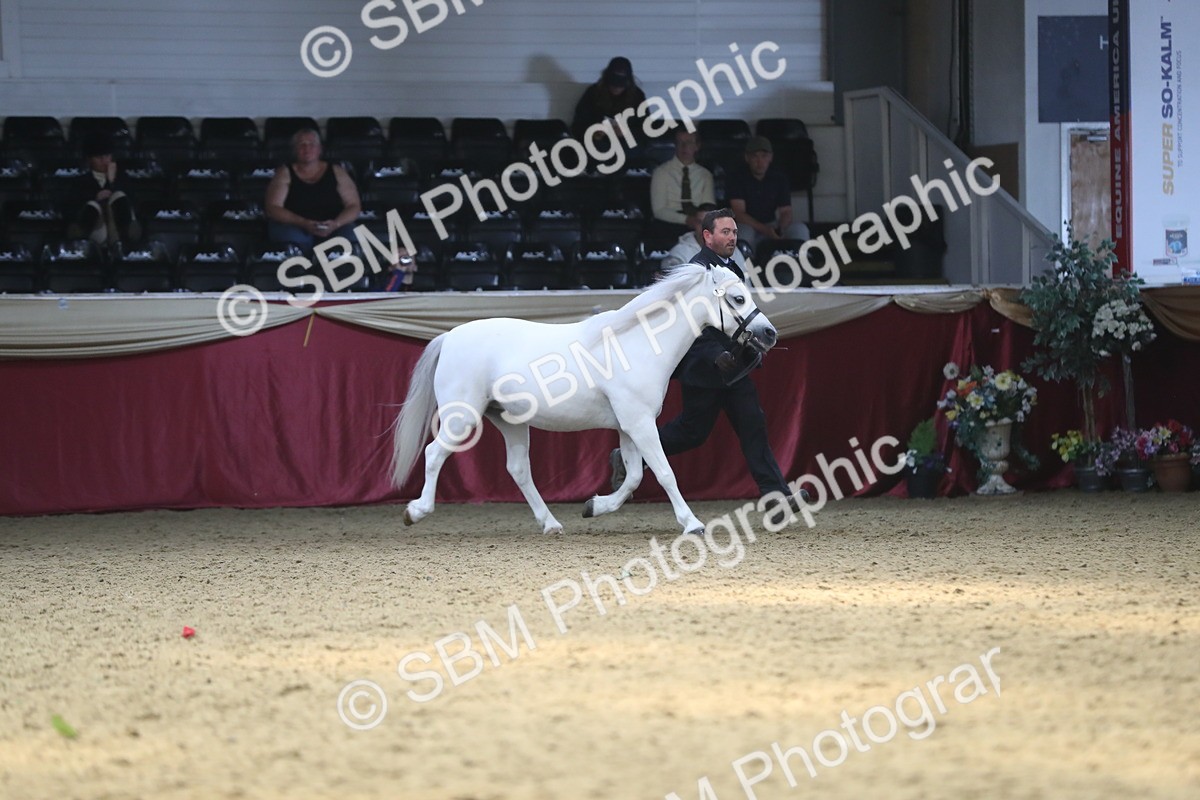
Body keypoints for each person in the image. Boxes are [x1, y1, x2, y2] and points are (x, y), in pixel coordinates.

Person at [610, 207, 802, 515]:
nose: (732, 238)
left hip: (735, 368)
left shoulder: (732, 269)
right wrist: (715, 355)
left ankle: (776, 497)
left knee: (754, 427)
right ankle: (630, 456)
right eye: (725, 232)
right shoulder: (696, 273)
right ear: (707, 235)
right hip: (704, 370)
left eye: (735, 232)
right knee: (692, 432)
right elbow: (687, 325)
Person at [264, 128, 361, 250]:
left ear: (320, 149)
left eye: (312, 144)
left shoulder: (337, 171)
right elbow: (273, 207)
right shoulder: (284, 173)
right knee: (296, 240)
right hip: (294, 225)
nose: (307, 148)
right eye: (302, 144)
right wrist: (303, 223)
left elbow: (353, 205)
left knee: (351, 236)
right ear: (295, 150)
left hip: (332, 224)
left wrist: (336, 224)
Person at [726, 136, 810, 250]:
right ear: (747, 158)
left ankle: (798, 262)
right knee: (744, 234)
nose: (760, 162)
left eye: (764, 156)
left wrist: (780, 229)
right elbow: (739, 214)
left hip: (772, 224)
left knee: (800, 229)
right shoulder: (737, 178)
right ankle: (746, 264)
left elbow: (786, 211)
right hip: (748, 226)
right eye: (755, 156)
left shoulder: (779, 178)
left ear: (771, 157)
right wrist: (765, 230)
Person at [67, 134, 139, 249]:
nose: (104, 161)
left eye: (107, 156)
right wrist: (95, 197)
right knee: (92, 205)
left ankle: (128, 235)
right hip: (96, 228)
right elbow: (73, 207)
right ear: (90, 159)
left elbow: (133, 203)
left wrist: (112, 182)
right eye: (99, 158)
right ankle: (80, 239)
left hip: (119, 228)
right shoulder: (80, 181)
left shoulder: (122, 178)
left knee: (119, 196)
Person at [649, 128, 715, 238]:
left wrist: (697, 221)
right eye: (680, 143)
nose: (684, 147)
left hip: (697, 222)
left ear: (697, 146)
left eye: (689, 142)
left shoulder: (705, 175)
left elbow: (708, 207)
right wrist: (686, 220)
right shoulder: (661, 172)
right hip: (670, 222)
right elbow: (659, 210)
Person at [571, 56, 647, 140]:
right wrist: (593, 131)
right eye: (613, 84)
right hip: (599, 142)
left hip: (626, 143)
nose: (616, 88)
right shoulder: (593, 93)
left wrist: (627, 132)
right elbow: (578, 124)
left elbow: (645, 127)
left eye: (621, 85)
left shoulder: (637, 96)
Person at [662, 203, 747, 274]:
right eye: (700, 222)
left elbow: (746, 287)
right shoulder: (679, 253)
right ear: (694, 224)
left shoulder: (733, 251)